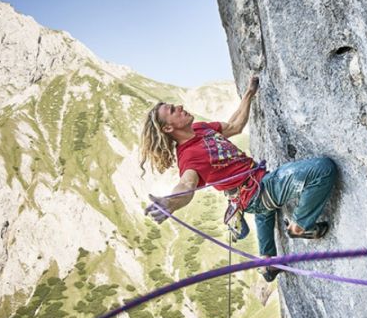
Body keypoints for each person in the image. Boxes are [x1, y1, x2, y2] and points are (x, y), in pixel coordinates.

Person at [139, 76, 337, 281]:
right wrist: (170, 202)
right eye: (172, 110)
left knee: (264, 210)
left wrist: (249, 94)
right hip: (259, 190)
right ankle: (300, 227)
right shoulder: (188, 157)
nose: (179, 107)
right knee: (323, 169)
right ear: (168, 128)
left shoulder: (200, 129)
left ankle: (268, 263)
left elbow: (234, 126)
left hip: (250, 192)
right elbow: (186, 184)